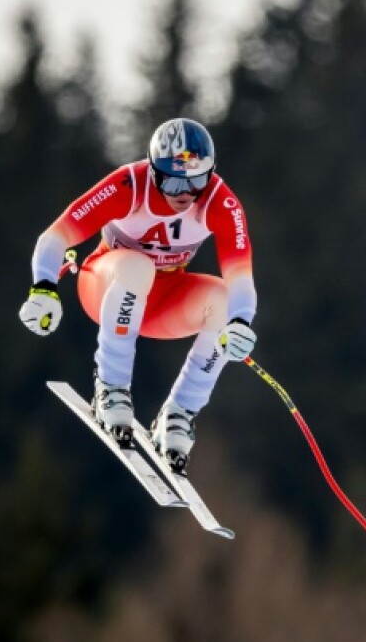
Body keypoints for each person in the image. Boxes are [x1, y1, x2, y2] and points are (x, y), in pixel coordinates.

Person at [18, 117, 257, 474]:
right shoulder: (130, 185)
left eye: (196, 181)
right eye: (174, 181)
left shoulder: (220, 203)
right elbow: (55, 236)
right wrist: (43, 288)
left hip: (162, 302)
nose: (185, 194)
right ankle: (111, 388)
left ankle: (179, 415)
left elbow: (242, 279)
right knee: (138, 268)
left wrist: (240, 324)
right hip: (106, 285)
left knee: (222, 301)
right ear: (154, 170)